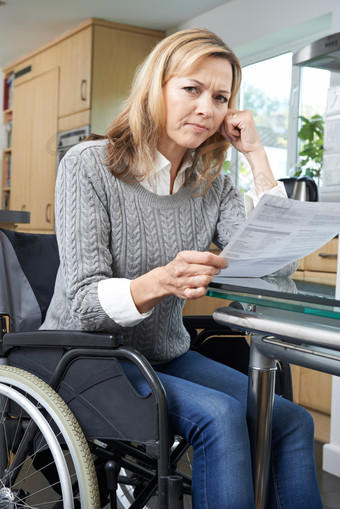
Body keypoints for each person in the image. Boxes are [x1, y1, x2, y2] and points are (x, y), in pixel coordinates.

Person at [41, 28, 323, 509]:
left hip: (166, 354)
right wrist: (157, 283)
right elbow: (86, 303)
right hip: (84, 358)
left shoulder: (210, 184)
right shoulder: (89, 166)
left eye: (220, 97)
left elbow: (277, 265)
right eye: (191, 89)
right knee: (221, 416)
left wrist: (255, 154)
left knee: (290, 420)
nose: (207, 108)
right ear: (157, 87)